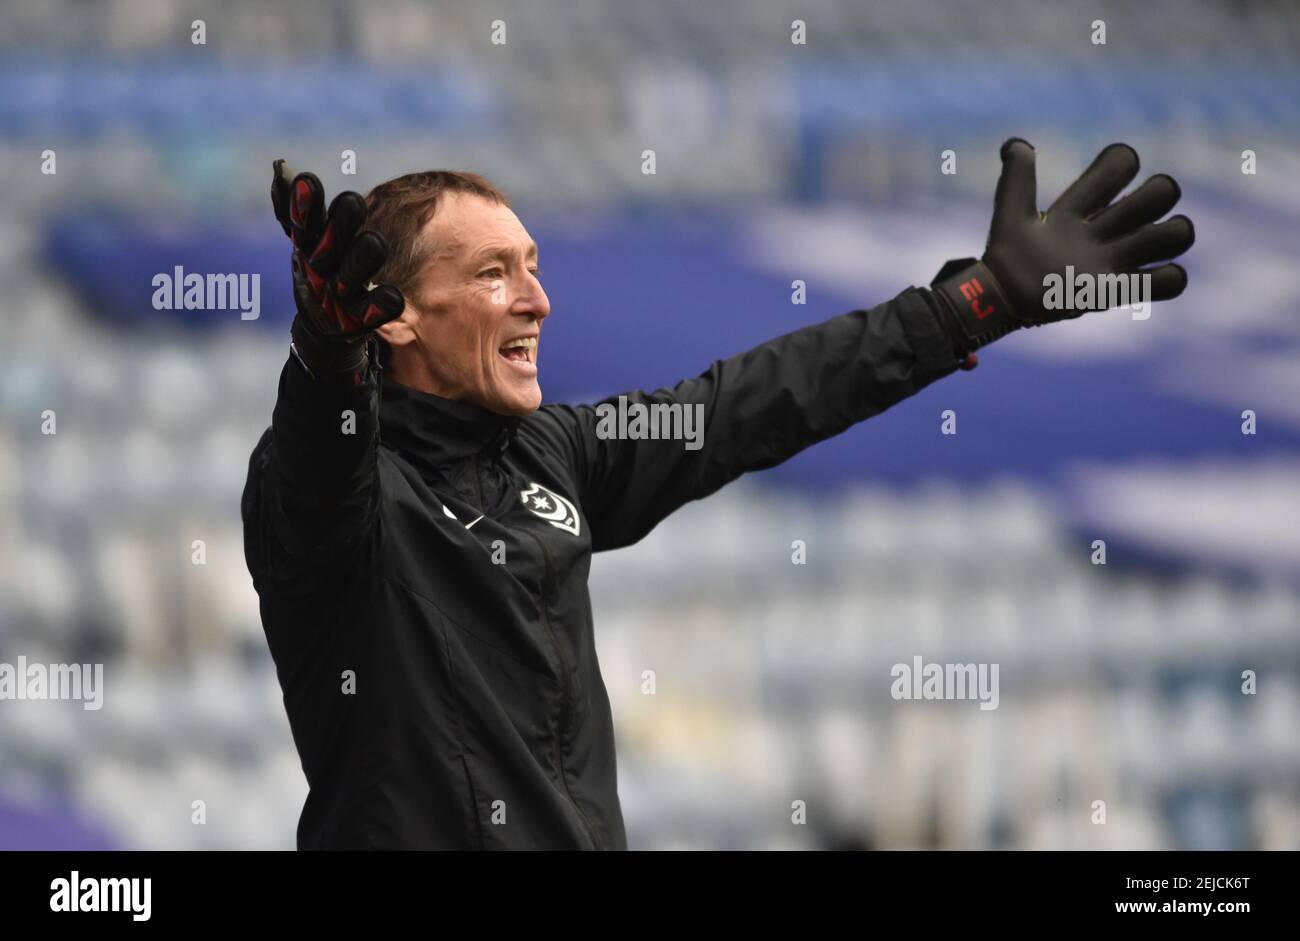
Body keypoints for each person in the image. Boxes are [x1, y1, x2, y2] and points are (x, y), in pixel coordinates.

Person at [242, 139, 1194, 849]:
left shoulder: (553, 453)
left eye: (534, 267)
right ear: (396, 315)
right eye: (494, 274)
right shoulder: (339, 495)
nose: (536, 300)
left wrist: (968, 306)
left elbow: (746, 403)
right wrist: (328, 353)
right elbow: (322, 458)